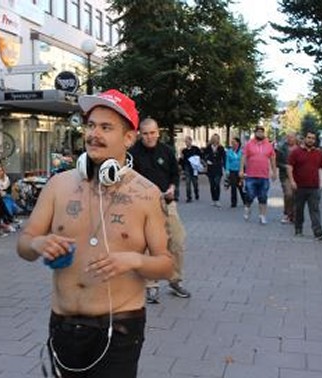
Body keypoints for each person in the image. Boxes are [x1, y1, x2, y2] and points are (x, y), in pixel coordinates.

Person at [17, 89, 173, 377]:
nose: (93, 134)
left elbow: (166, 264)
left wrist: (133, 261)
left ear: (129, 138)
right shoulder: (58, 186)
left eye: (105, 127)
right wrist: (38, 243)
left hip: (120, 328)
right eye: (90, 126)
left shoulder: (147, 194)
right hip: (63, 325)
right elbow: (24, 244)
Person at [129, 118, 189, 303]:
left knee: (177, 240)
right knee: (148, 245)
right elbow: (127, 179)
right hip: (142, 205)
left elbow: (174, 174)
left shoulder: (167, 151)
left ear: (158, 132)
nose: (149, 137)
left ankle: (175, 280)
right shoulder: (132, 153)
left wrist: (172, 187)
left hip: (166, 202)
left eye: (152, 133)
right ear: (140, 133)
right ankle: (151, 285)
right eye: (145, 133)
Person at [287, 130, 322, 240]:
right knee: (299, 209)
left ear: (315, 140)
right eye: (309, 137)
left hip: (314, 187)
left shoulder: (318, 153)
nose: (311, 140)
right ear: (305, 138)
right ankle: (298, 228)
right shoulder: (296, 152)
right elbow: (289, 167)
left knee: (314, 209)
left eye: (313, 138)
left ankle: (318, 232)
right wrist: (292, 181)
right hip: (299, 186)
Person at [239, 126, 277, 224]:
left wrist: (274, 172)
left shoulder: (268, 145)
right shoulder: (249, 144)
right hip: (251, 175)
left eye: (262, 132)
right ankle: (247, 207)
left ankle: (262, 215)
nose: (260, 134)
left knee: (263, 196)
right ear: (255, 133)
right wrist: (241, 170)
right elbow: (243, 157)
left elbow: (272, 159)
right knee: (250, 194)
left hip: (264, 175)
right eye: (258, 132)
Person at [276, 132, 299, 223]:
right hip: (285, 175)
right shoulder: (281, 149)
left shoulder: (300, 148)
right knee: (288, 194)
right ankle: (286, 213)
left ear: (295, 138)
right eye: (289, 137)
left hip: (297, 175)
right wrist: (285, 166)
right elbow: (277, 163)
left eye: (292, 137)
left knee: (296, 195)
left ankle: (293, 215)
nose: (290, 139)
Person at [203, 133, 226, 207]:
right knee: (212, 185)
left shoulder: (221, 148)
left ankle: (217, 200)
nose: (216, 140)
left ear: (218, 140)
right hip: (210, 168)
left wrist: (225, 167)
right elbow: (204, 156)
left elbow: (224, 157)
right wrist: (206, 161)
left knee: (217, 183)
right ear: (212, 139)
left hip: (218, 167)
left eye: (217, 138)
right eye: (214, 138)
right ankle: (213, 199)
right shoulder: (208, 147)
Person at [225, 137, 246, 208]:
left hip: (240, 170)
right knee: (233, 186)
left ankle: (245, 200)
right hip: (232, 171)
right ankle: (233, 202)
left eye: (234, 142)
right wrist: (227, 170)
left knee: (240, 186)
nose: (233, 144)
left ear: (238, 143)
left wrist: (243, 170)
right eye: (232, 142)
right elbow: (227, 161)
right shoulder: (229, 151)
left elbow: (243, 161)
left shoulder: (241, 151)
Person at [180, 136, 202, 202]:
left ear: (191, 141)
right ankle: (189, 197)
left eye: (188, 141)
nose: (187, 143)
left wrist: (197, 160)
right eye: (185, 142)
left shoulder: (195, 149)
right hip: (187, 167)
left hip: (194, 168)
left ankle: (196, 192)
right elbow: (182, 161)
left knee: (195, 182)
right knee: (188, 183)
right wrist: (181, 158)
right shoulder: (184, 150)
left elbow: (200, 156)